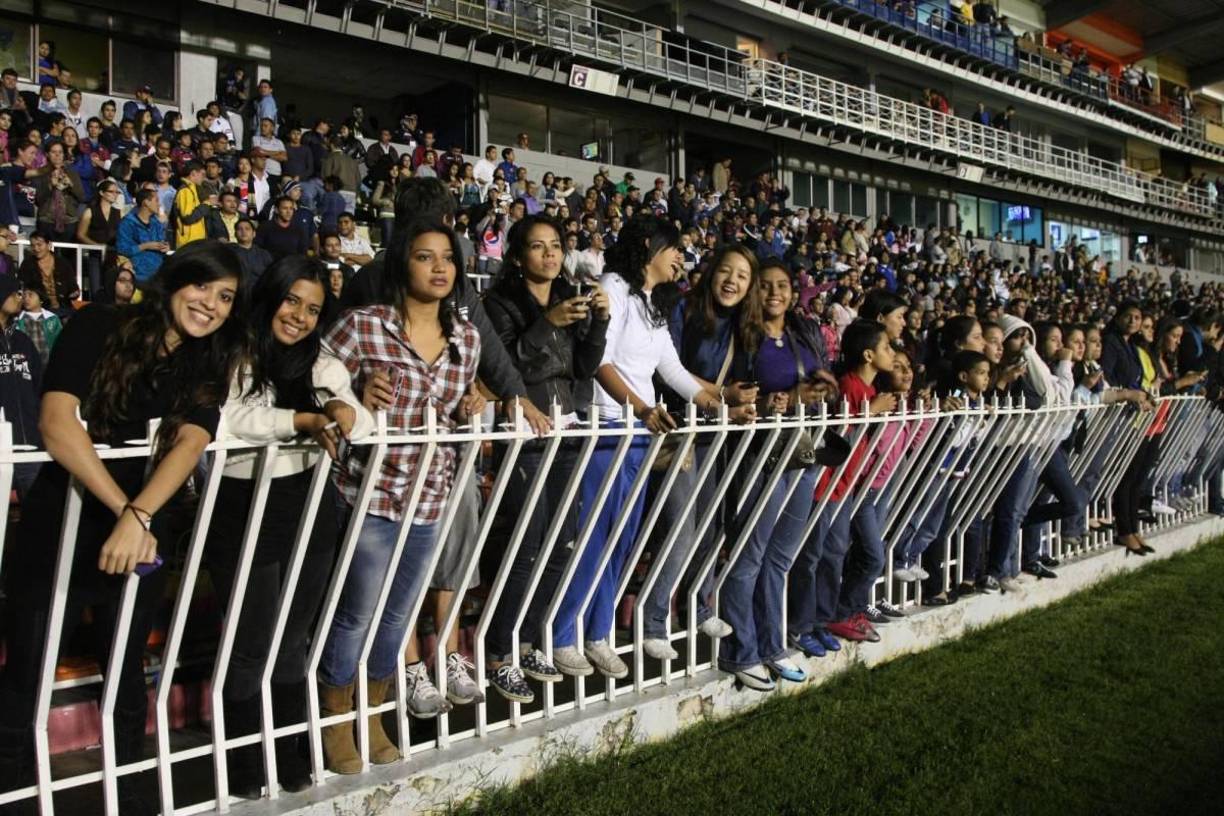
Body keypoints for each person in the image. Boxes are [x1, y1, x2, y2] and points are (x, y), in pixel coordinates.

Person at [0, 243, 245, 815]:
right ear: (175, 279)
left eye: (226, 297)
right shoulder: (100, 324)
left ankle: (131, 797)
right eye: (202, 286)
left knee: (127, 673)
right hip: (63, 519)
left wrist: (140, 517)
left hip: (140, 526)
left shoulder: (208, 358)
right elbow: (56, 423)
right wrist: (125, 511)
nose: (210, 304)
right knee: (30, 672)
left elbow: (191, 441)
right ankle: (12, 792)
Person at [315, 220, 483, 773]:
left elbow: (455, 406)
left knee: (398, 615)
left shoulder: (467, 339)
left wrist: (470, 406)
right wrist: (350, 394)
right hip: (373, 493)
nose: (439, 267)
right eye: (424, 256)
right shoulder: (365, 325)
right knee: (356, 614)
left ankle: (373, 716)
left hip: (431, 496)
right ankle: (335, 723)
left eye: (447, 258)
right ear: (402, 265)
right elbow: (318, 375)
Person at [207, 256, 373, 798]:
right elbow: (233, 418)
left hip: (307, 499)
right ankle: (242, 761)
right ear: (271, 295)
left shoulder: (321, 360)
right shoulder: (233, 349)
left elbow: (355, 413)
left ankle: (288, 750)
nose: (300, 316)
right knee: (251, 640)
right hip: (244, 500)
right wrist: (301, 420)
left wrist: (345, 411)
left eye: (313, 309)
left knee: (293, 638)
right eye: (292, 301)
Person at [549, 215, 734, 679]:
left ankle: (598, 633)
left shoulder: (651, 301)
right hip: (608, 429)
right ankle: (564, 634)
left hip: (638, 435)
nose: (681, 257)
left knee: (623, 539)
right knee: (593, 537)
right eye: (675, 248)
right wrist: (640, 409)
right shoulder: (612, 287)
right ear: (650, 246)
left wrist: (721, 403)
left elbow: (672, 371)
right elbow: (600, 363)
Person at [481, 214, 610, 703]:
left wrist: (600, 323)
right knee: (525, 545)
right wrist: (546, 324)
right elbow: (503, 368)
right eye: (537, 246)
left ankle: (530, 640)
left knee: (562, 544)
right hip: (525, 434)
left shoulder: (567, 297)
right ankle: (498, 652)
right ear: (517, 256)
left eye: (555, 244)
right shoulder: (499, 304)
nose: (550, 254)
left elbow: (583, 367)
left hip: (567, 429)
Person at [719, 259, 838, 689]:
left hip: (801, 453)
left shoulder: (802, 332)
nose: (774, 293)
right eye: (766, 285)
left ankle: (772, 645)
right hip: (761, 455)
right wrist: (777, 399)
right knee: (750, 556)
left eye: (783, 285)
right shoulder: (742, 336)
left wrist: (822, 387)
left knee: (781, 557)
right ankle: (740, 651)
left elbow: (822, 384)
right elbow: (733, 393)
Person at [639, 245, 761, 664]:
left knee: (710, 526)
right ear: (711, 273)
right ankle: (653, 620)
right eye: (726, 271)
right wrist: (721, 395)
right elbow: (667, 367)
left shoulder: (744, 325)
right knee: (680, 529)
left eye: (742, 276)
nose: (732, 281)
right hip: (677, 428)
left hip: (714, 432)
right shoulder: (684, 309)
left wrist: (739, 401)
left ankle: (698, 606)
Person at [790, 319, 898, 647]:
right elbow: (838, 436)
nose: (892, 353)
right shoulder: (850, 387)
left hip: (845, 486)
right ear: (868, 355)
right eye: (886, 347)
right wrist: (870, 412)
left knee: (834, 554)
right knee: (812, 555)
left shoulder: (869, 391)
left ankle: (824, 619)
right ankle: (801, 624)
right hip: (826, 484)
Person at [0, 275, 43, 498]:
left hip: (30, 448)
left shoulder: (23, 341)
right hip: (1, 449)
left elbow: (39, 387)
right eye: (15, 293)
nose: (20, 298)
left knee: (37, 512)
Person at [116, 189, 171, 285]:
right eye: (156, 200)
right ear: (146, 202)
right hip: (138, 275)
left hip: (158, 275)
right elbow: (122, 249)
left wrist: (166, 247)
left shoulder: (157, 224)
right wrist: (145, 246)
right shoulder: (127, 223)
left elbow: (162, 242)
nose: (159, 204)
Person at [33, 140, 85, 242]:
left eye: (60, 152)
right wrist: (50, 185)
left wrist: (71, 184)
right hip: (46, 221)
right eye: (53, 152)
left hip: (69, 221)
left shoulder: (72, 173)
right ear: (47, 154)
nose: (57, 155)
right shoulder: (40, 173)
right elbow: (38, 200)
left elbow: (81, 197)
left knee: (67, 251)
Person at [18, 230, 78, 316]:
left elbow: (73, 287)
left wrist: (74, 293)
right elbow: (22, 286)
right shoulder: (27, 264)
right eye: (33, 245)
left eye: (39, 245)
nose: (36, 249)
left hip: (63, 308)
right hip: (38, 310)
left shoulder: (63, 263)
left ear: (49, 244)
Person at [13, 283, 63, 364]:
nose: (26, 298)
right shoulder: (17, 320)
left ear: (41, 299)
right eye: (24, 296)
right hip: (27, 363)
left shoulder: (52, 319)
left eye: (30, 295)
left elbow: (60, 342)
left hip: (48, 363)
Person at [172, 161, 213, 248]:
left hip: (194, 241)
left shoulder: (192, 189)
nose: (203, 178)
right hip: (188, 242)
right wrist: (206, 204)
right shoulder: (185, 191)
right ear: (193, 173)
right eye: (202, 174)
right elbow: (188, 217)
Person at [233, 216, 274, 282]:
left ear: (254, 234)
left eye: (247, 229)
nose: (243, 231)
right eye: (239, 229)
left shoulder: (264, 254)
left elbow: (271, 275)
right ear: (235, 234)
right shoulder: (229, 253)